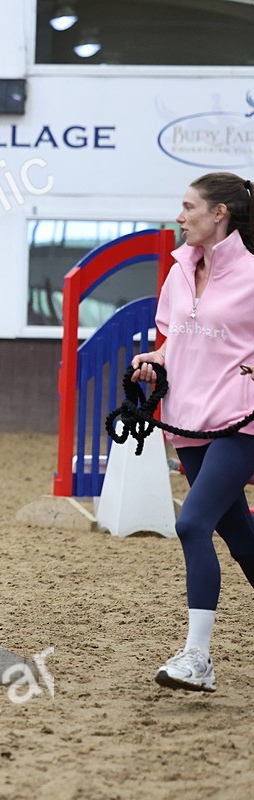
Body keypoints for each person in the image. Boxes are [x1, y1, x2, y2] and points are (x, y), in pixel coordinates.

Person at [131, 172, 254, 692]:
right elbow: (176, 341)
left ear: (219, 213)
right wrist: (153, 360)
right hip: (186, 423)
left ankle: (197, 658)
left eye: (188, 207)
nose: (180, 216)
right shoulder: (178, 273)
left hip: (240, 424)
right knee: (241, 538)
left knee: (192, 524)